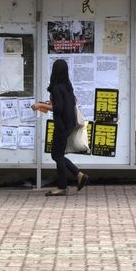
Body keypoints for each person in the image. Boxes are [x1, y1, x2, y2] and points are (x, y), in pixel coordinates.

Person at [32, 59, 89, 196]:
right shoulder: (67, 86)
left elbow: (58, 108)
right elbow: (63, 104)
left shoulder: (57, 87)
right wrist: (50, 103)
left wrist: (40, 106)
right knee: (57, 155)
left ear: (54, 71)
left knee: (57, 156)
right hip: (68, 125)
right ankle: (79, 175)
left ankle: (62, 187)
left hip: (62, 126)